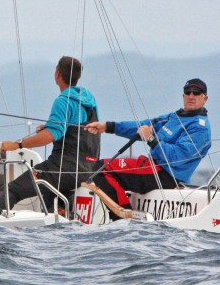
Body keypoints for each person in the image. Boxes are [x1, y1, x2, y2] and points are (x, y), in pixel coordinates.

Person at [0, 56, 99, 212]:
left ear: (58, 74)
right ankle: (60, 213)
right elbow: (76, 131)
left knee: (11, 190)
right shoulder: (89, 101)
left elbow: (51, 135)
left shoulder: (63, 101)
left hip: (64, 168)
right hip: (87, 169)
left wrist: (16, 145)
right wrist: (50, 128)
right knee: (49, 197)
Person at [84, 78, 212, 212]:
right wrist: (108, 127)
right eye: (188, 92)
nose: (191, 96)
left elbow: (176, 157)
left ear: (205, 98)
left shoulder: (200, 128)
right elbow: (142, 126)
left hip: (164, 175)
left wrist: (151, 139)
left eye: (196, 92)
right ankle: (122, 214)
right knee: (103, 169)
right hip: (152, 167)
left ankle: (124, 220)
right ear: (183, 95)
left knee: (102, 169)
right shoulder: (175, 117)